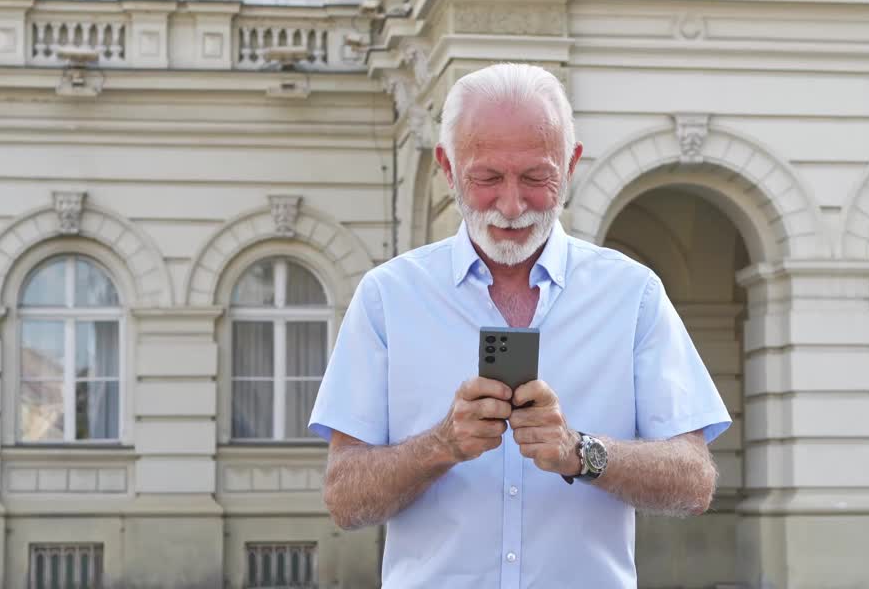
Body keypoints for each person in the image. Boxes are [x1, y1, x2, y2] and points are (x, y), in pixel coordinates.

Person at [308, 63, 731, 588]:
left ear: (571, 166)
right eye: (487, 178)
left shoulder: (632, 294)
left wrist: (581, 453)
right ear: (447, 166)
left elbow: (694, 481)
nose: (512, 205)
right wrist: (441, 446)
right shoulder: (388, 297)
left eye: (536, 177)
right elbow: (344, 498)